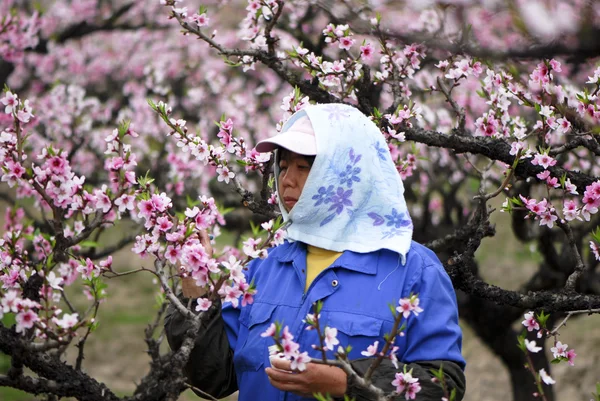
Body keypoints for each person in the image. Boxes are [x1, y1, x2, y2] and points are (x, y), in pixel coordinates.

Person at [164, 103, 466, 401]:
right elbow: (213, 377)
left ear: (347, 172)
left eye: (304, 167)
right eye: (283, 166)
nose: (287, 180)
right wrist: (196, 290)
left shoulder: (413, 271)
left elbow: (443, 386)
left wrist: (346, 382)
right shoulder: (263, 265)